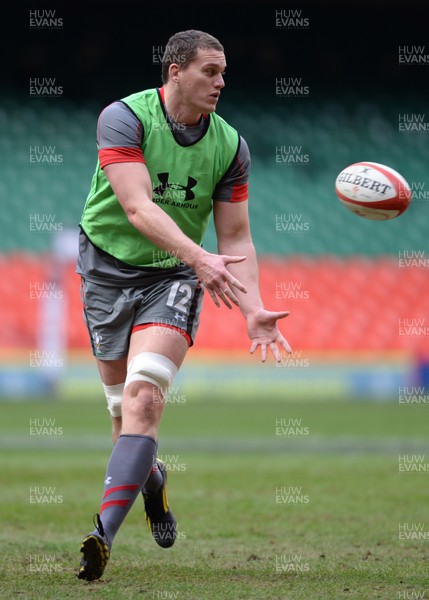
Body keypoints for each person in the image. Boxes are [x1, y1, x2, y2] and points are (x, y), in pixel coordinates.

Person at [76, 29, 291, 581]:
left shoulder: (231, 146)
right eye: (210, 71)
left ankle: (101, 536)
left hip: (172, 275)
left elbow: (237, 238)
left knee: (144, 397)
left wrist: (253, 309)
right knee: (122, 418)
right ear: (175, 71)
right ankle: (153, 480)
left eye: (223, 73)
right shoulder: (123, 118)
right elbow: (135, 205)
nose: (221, 82)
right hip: (106, 268)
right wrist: (202, 256)